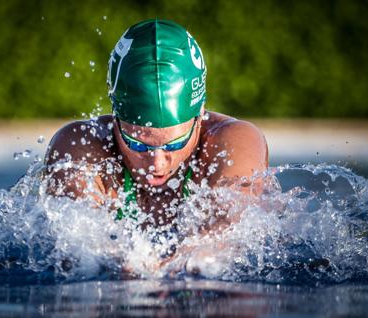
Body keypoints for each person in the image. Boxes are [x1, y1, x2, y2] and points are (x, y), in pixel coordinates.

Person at [45, 19, 268, 229]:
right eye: (138, 143)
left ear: (199, 114)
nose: (157, 164)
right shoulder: (80, 146)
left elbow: (224, 237)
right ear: (116, 118)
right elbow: (80, 248)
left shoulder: (236, 143)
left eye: (174, 144)